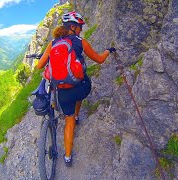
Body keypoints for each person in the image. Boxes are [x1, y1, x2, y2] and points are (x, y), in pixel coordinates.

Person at [37, 12, 116, 167]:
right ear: (72, 27)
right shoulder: (81, 42)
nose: (80, 30)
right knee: (83, 81)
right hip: (80, 89)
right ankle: (77, 113)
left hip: (62, 92)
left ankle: (67, 157)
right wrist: (108, 50)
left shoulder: (53, 43)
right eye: (79, 27)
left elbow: (40, 65)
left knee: (69, 121)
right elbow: (99, 59)